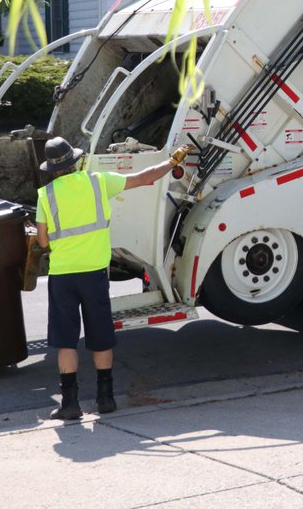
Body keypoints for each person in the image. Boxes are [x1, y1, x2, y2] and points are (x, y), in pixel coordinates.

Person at [33, 136, 192, 420]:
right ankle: (105, 399)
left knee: (66, 341)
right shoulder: (97, 182)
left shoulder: (46, 195)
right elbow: (144, 178)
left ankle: (70, 405)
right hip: (94, 274)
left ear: (52, 169)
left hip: (62, 276)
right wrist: (172, 160)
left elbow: (43, 242)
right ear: (76, 161)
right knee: (100, 335)